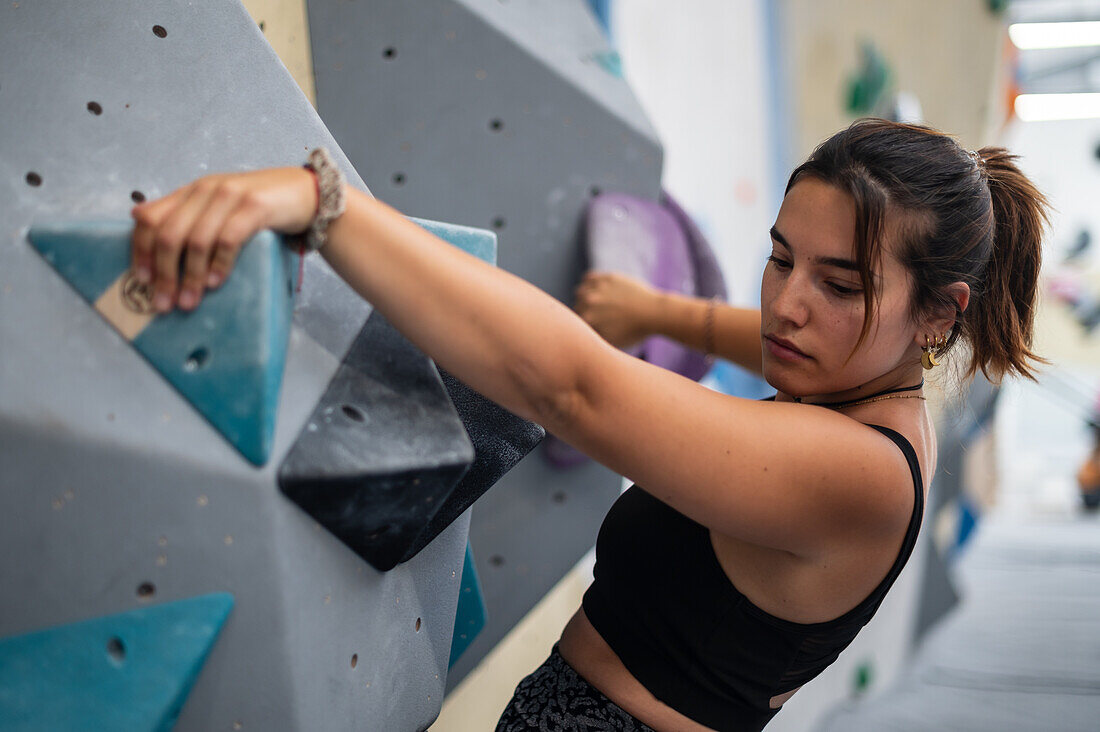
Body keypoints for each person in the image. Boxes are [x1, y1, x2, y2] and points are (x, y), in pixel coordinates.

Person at [129, 119, 1047, 731]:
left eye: (838, 284)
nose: (788, 305)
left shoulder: (860, 475)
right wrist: (657, 309)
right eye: (778, 258)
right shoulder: (862, 383)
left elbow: (576, 389)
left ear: (938, 314)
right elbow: (756, 335)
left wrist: (321, 205)